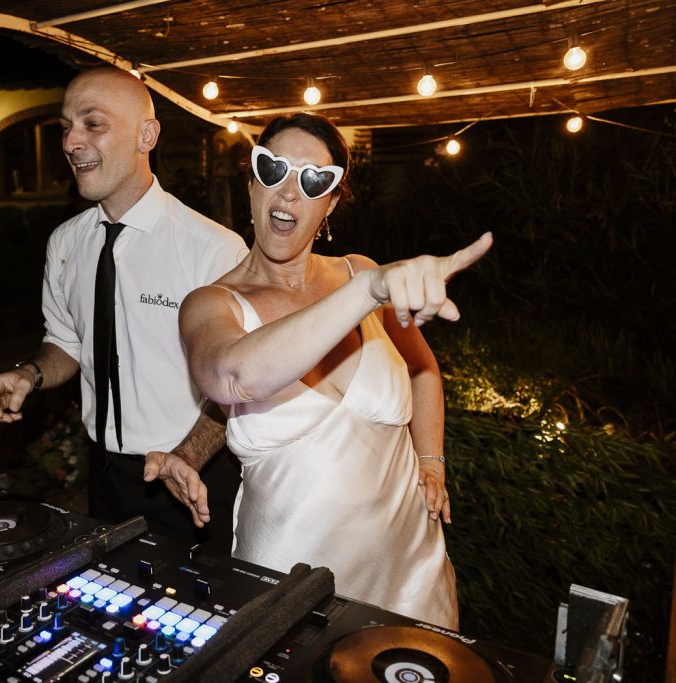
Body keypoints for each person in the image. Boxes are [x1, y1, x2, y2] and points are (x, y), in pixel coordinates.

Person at [174, 112, 493, 629]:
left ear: (331, 202)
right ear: (252, 182)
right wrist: (365, 293)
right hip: (290, 578)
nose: (289, 192)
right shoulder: (212, 304)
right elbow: (230, 378)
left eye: (314, 180)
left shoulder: (359, 270)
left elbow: (422, 368)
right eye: (273, 169)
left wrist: (431, 459)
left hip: (410, 563)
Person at [0, 66, 248, 552]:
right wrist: (30, 375)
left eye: (92, 124)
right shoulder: (65, 243)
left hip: (192, 475)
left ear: (147, 135)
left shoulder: (214, 251)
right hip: (102, 474)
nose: (70, 142)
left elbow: (240, 388)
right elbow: (67, 341)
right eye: (65, 126)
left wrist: (185, 457)